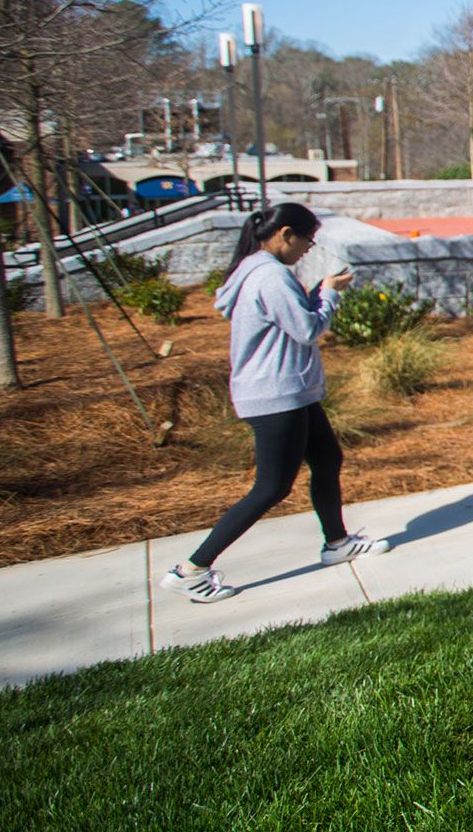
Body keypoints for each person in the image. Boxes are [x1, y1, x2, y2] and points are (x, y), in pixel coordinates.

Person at [159, 203, 389, 603]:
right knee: (271, 487)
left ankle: (337, 542)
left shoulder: (256, 271)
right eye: (306, 240)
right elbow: (306, 329)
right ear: (285, 234)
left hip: (291, 392)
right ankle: (191, 569)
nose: (307, 248)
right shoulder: (270, 277)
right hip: (276, 396)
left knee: (327, 460)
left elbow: (291, 319)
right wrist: (330, 296)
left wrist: (318, 291)